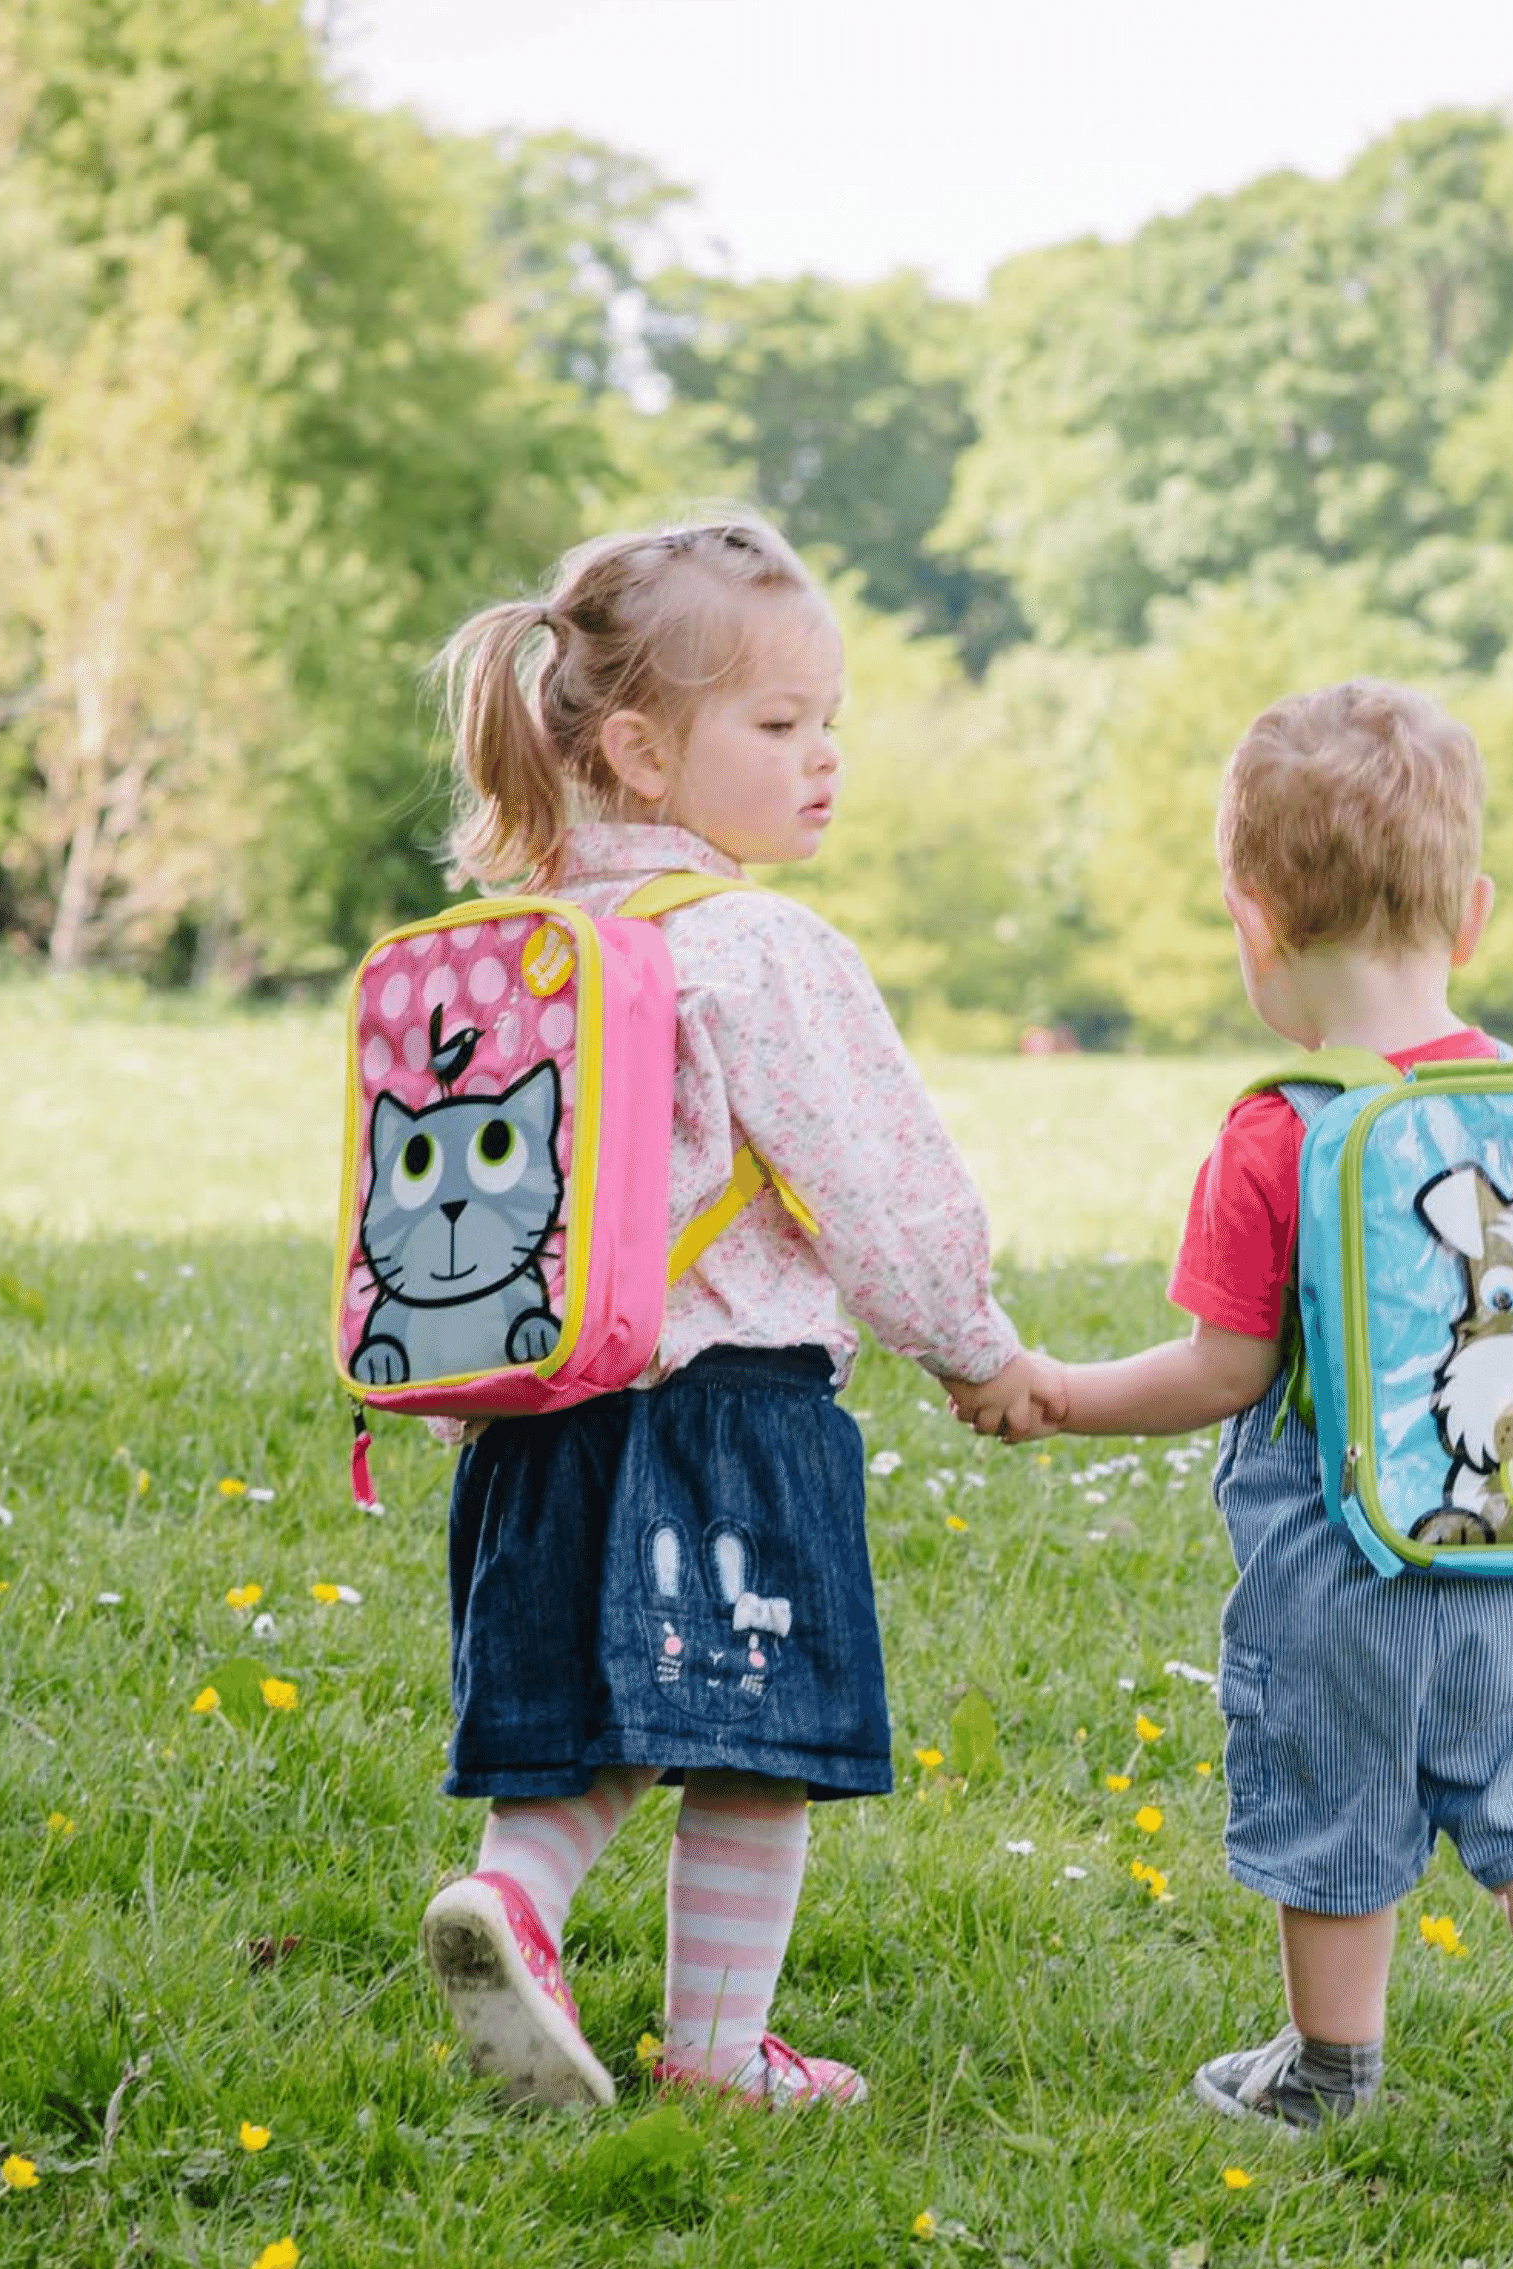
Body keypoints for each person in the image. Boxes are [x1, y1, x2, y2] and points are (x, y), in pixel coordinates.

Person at [983, 680, 1513, 2205]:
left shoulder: (1279, 1129)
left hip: (1341, 1558)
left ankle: (1328, 2069)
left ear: (1252, 919)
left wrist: (1058, 1390)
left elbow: (1221, 1368)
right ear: (1474, 912)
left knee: (1337, 1807)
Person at [415, 514, 1052, 2111]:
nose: (824, 758)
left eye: (830, 722)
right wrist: (976, 1353)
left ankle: (512, 1902)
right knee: (753, 1739)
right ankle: (714, 2051)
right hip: (729, 1413)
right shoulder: (763, 948)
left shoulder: (519, 945)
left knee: (590, 1715)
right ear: (638, 748)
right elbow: (885, 1195)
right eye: (779, 727)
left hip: (538, 1410)